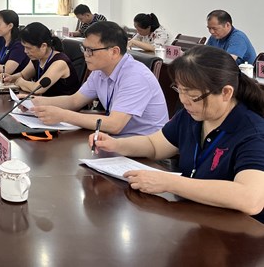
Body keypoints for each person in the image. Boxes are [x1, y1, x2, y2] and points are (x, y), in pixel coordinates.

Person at [91, 45, 264, 222]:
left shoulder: (253, 133)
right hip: (197, 217)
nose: (183, 100)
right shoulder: (192, 116)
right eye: (180, 90)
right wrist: (116, 144)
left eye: (192, 95)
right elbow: (155, 145)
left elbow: (251, 199)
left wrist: (169, 183)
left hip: (240, 230)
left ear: (226, 92)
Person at [31, 21, 169, 136]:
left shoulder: (136, 76)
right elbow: (75, 101)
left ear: (114, 52)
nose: (85, 54)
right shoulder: (99, 71)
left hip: (144, 148)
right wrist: (34, 102)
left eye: (90, 50)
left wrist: (64, 115)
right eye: (84, 49)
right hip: (115, 140)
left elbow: (115, 125)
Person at [7, 22, 80, 96]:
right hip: (43, 101)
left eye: (29, 48)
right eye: (24, 47)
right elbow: (23, 75)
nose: (25, 51)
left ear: (43, 46)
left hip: (61, 102)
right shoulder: (37, 58)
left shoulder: (59, 62)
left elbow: (37, 89)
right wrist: (11, 78)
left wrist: (20, 82)